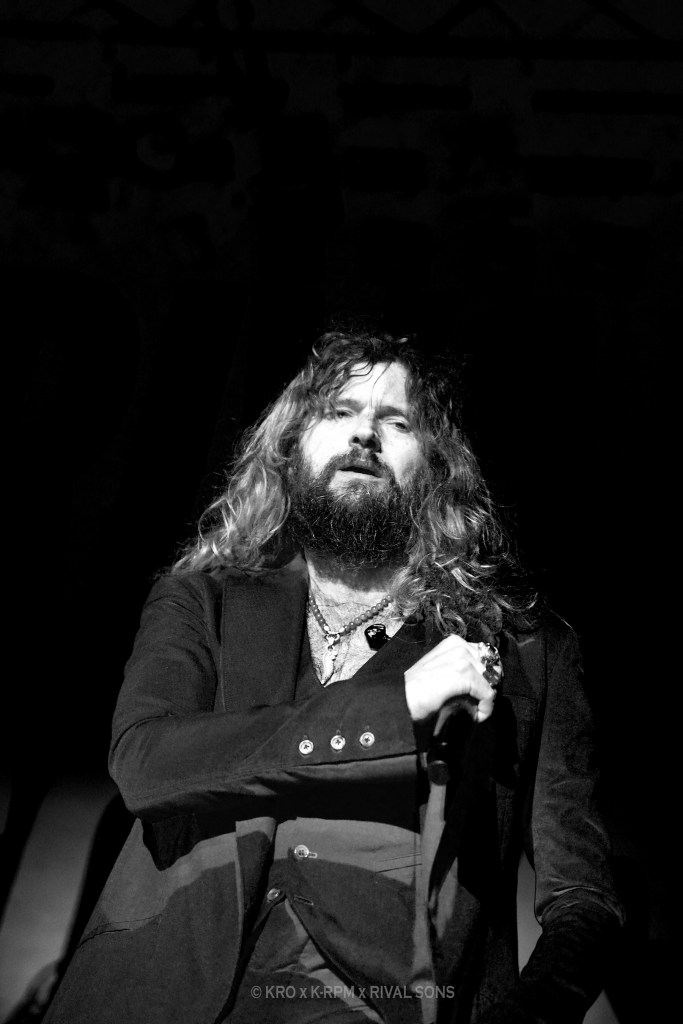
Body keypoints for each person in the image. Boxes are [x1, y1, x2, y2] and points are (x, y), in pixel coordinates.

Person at [44, 327, 623, 1024]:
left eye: (396, 421)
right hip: (152, 998)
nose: (364, 435)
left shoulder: (528, 650)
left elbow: (582, 898)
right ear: (291, 446)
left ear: (438, 466)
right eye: (339, 411)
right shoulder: (202, 600)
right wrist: (396, 709)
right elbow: (144, 765)